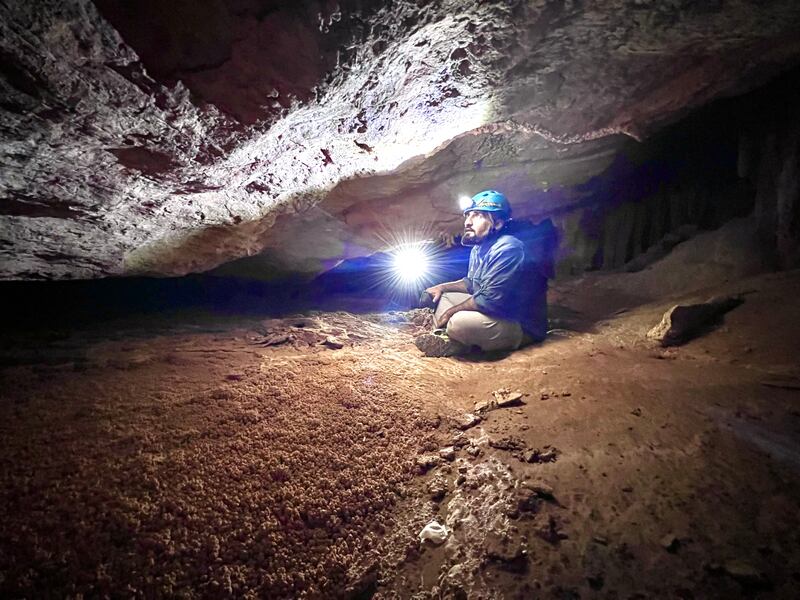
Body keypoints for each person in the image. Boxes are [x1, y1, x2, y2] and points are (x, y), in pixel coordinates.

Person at [415, 190, 550, 357]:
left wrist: (451, 312)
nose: (468, 222)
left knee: (459, 322)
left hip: (520, 324)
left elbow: (488, 300)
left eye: (477, 215)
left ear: (498, 223)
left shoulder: (509, 249)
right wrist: (441, 287)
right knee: (446, 296)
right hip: (499, 311)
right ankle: (444, 334)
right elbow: (472, 283)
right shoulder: (479, 249)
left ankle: (454, 342)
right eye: (467, 215)